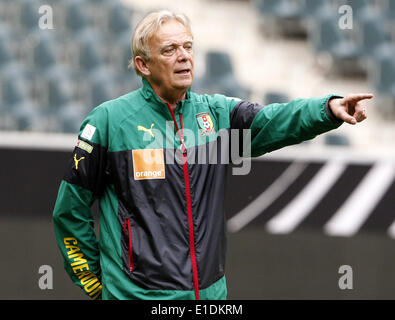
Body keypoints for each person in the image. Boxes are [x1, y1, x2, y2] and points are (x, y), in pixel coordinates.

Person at [52, 10, 373, 300]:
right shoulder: (108, 121)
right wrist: (97, 284)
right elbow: (69, 211)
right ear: (143, 65)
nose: (184, 57)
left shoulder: (217, 114)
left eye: (188, 47)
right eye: (170, 50)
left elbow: (275, 119)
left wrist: (326, 109)